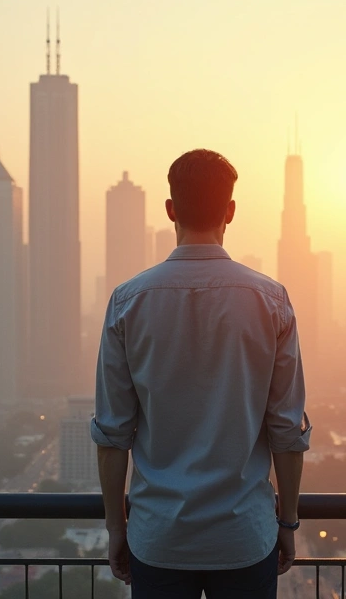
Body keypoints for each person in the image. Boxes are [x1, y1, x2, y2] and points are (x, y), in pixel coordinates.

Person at [91, 149, 312, 598]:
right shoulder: (272, 301)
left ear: (171, 209)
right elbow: (287, 430)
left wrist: (117, 529)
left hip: (159, 538)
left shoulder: (127, 302)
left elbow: (113, 433)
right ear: (230, 211)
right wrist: (287, 522)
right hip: (245, 538)